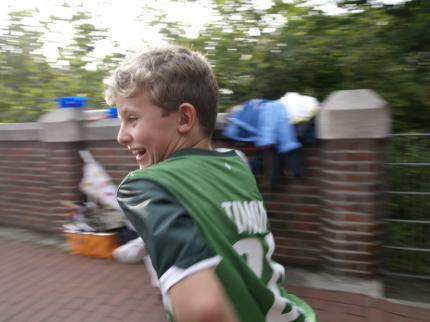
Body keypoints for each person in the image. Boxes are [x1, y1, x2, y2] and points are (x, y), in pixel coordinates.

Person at [105, 45, 316, 322]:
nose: (122, 136)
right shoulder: (238, 166)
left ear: (184, 118)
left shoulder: (147, 185)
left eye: (132, 118)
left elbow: (203, 310)